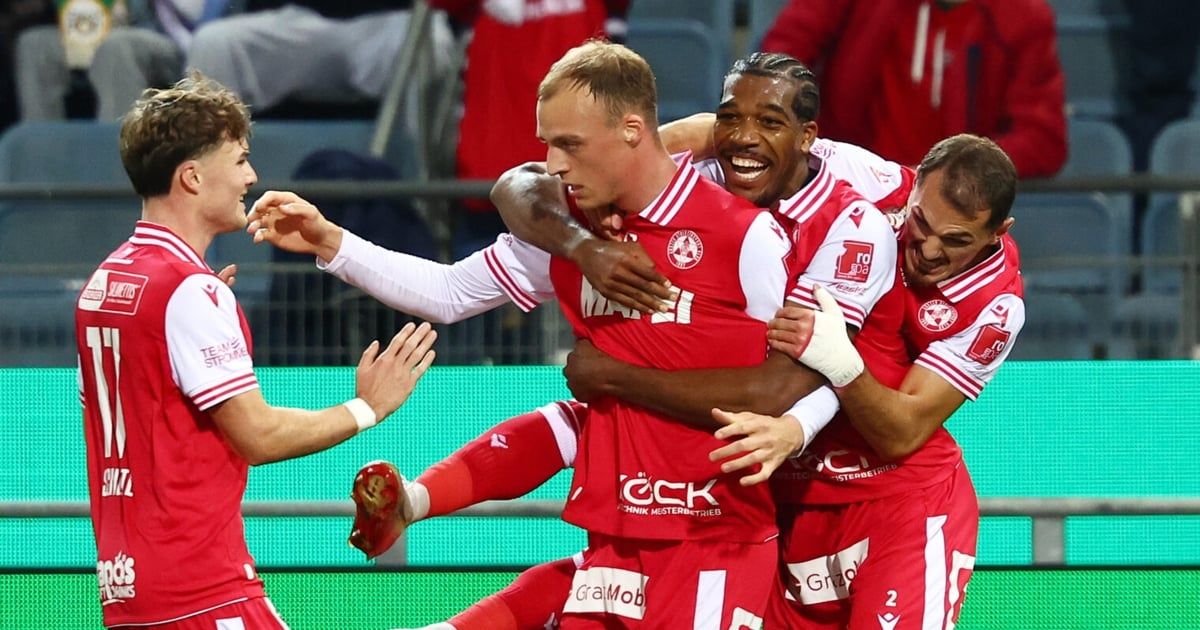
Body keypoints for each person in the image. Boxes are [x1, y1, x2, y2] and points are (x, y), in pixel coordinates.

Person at [248, 51, 902, 628]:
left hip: (713, 540)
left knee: (576, 416)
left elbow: (785, 384)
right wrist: (332, 242)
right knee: (576, 422)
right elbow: (449, 291)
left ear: (631, 132)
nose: (554, 163)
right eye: (548, 144)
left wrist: (618, 377)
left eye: (570, 144)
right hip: (613, 536)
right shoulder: (571, 231)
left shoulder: (750, 237)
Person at [74, 72, 437, 628]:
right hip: (202, 589)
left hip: (127, 591)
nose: (252, 176)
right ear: (192, 177)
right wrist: (368, 407)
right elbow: (258, 437)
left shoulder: (107, 282)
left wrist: (198, 312)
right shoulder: (187, 292)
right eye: (239, 159)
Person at [761, 0, 1067, 178]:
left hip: (954, 204)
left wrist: (952, 171)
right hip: (844, 184)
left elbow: (1044, 140)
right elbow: (776, 65)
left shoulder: (1023, 18)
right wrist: (817, 153)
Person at [15, 0, 232, 121]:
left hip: (183, 43)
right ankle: (41, 174)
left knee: (118, 47)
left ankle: (119, 175)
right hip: (105, 30)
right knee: (35, 45)